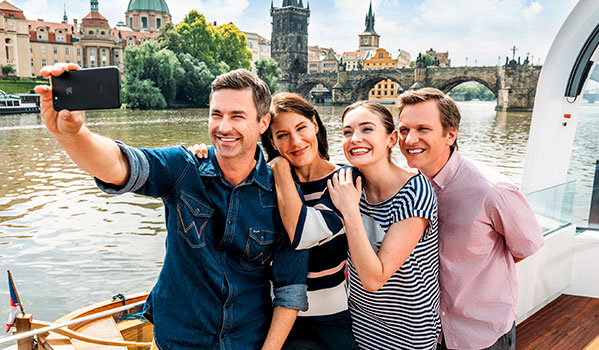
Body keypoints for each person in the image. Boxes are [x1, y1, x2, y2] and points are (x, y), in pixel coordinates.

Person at [34, 64, 309, 350]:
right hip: (177, 342)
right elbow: (120, 165)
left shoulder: (284, 195)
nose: (224, 127)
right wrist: (73, 134)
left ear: (263, 123)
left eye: (237, 116)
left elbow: (290, 292)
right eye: (216, 115)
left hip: (247, 342)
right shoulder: (183, 167)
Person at [190, 92, 358, 349]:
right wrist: (203, 156)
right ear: (271, 140)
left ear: (315, 124)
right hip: (272, 318)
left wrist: (279, 167)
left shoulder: (345, 179)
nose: (295, 141)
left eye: (301, 128)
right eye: (282, 135)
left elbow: (303, 234)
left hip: (331, 320)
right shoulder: (265, 182)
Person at [395, 87, 544, 350]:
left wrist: (474, 274)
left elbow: (527, 246)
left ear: (450, 134)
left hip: (479, 332)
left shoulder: (492, 190)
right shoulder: (404, 186)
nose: (409, 140)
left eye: (423, 129)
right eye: (404, 130)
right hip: (423, 330)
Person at [327, 101, 441, 349]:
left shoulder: (415, 191)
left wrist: (349, 210)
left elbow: (374, 279)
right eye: (347, 132)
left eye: (367, 129)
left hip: (409, 333)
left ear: (391, 139)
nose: (355, 138)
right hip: (360, 324)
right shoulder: (349, 183)